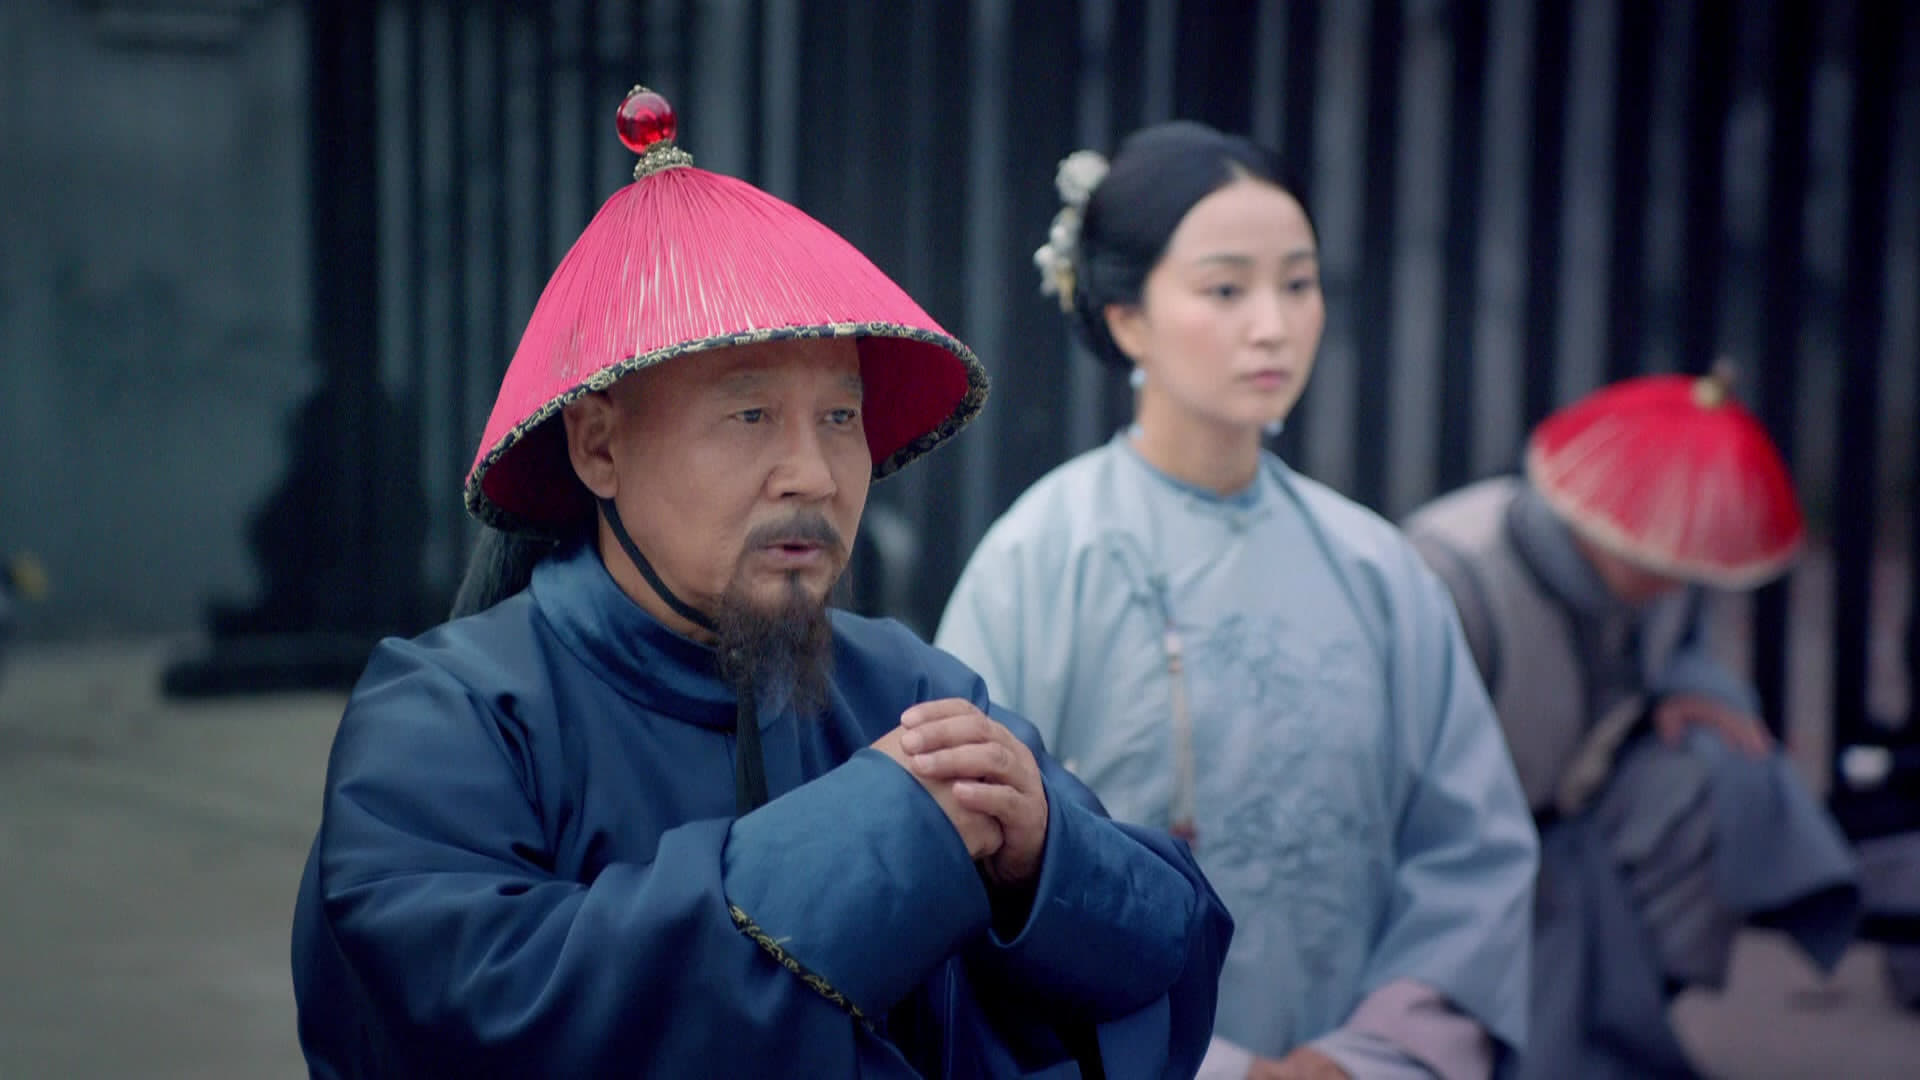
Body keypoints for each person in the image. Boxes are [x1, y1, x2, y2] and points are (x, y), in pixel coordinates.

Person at [290, 86, 1233, 1079]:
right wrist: (874, 842)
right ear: (600, 446)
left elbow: (1171, 939)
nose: (814, 476)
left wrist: (1041, 858)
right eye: (750, 418)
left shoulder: (911, 692)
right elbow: (469, 1011)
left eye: (840, 419)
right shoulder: (450, 714)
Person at [933, 122, 1536, 1080]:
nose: (1273, 324)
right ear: (1127, 318)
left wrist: (1362, 1059)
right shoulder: (1040, 558)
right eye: (1226, 289)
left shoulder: (1377, 568)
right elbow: (973, 854)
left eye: (1298, 284)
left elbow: (1470, 852)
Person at [1402, 369, 1862, 1078]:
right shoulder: (1453, 572)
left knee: (1719, 776)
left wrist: (1690, 688)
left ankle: (1617, 1013)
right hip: (1441, 845)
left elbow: (1677, 654)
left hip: (1573, 813)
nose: (1673, 577)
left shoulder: (1669, 571)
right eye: (1655, 552)